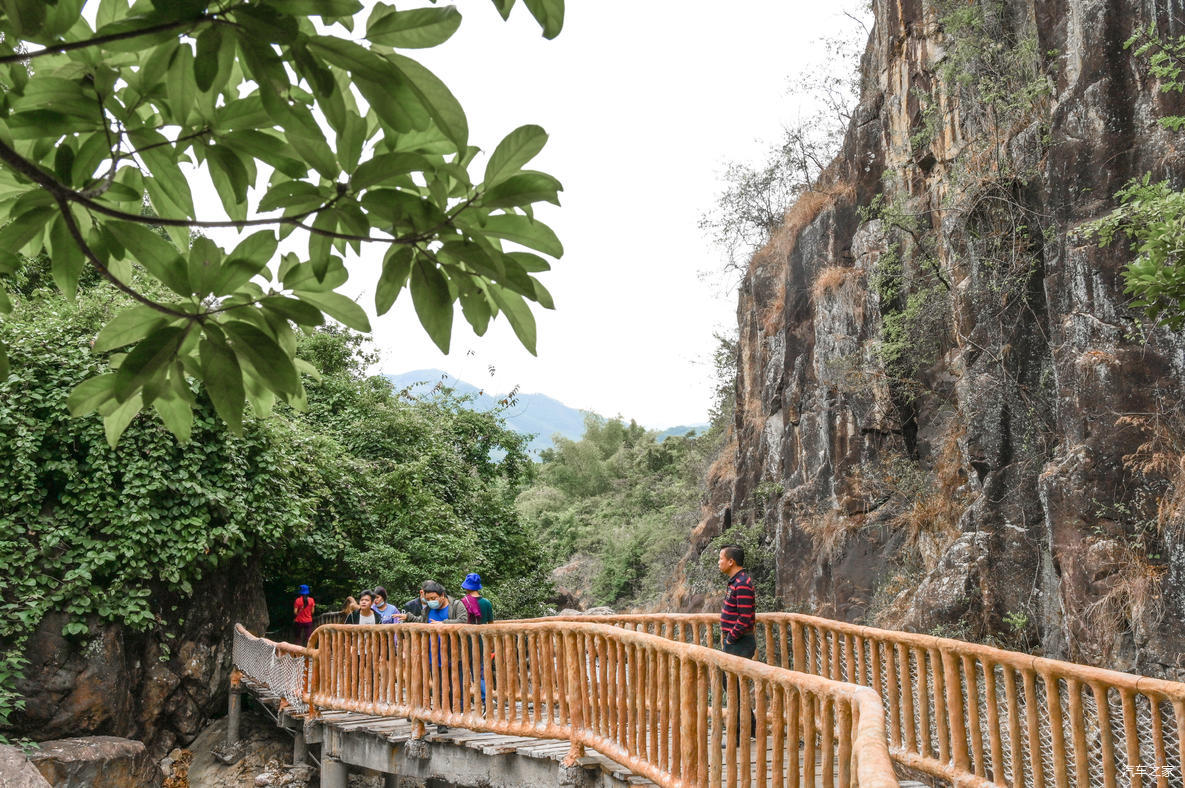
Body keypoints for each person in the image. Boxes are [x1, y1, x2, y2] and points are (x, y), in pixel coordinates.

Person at [718, 544, 757, 741]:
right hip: (735, 642)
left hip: (740, 642)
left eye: (721, 558)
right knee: (734, 687)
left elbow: (745, 617)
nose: (719, 562)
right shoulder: (736, 581)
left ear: (731, 561)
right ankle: (749, 729)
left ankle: (741, 733)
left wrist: (731, 637)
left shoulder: (741, 584)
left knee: (734, 687)